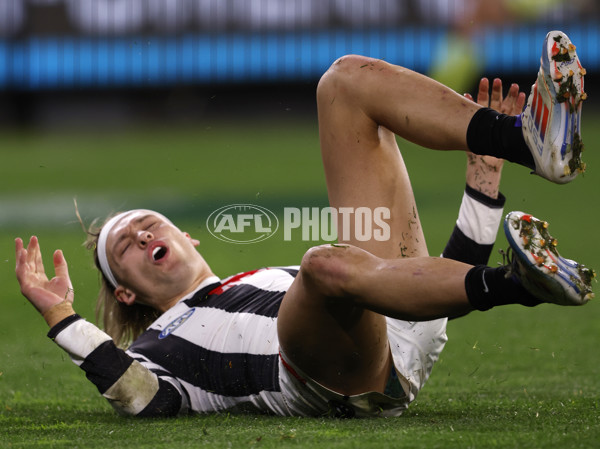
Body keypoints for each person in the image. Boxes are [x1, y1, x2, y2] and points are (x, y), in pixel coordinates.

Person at [15, 30, 594, 418]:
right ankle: (520, 283)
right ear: (126, 289)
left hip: (392, 329)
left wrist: (482, 190)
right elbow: (140, 398)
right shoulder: (157, 347)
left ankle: (524, 139)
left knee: (343, 83)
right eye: (127, 247)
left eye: (148, 224)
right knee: (323, 265)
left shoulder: (264, 279)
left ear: (187, 236)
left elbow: (429, 299)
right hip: (336, 379)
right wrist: (61, 317)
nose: (143, 236)